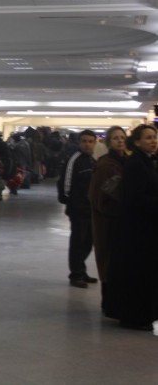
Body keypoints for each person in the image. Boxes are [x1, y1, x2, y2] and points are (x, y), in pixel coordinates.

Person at [106, 124, 158, 331]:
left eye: (154, 137)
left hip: (144, 227)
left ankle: (141, 314)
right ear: (137, 142)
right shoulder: (136, 164)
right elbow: (136, 198)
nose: (153, 141)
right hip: (136, 229)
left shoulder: (146, 161)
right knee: (137, 273)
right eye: (148, 138)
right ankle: (134, 316)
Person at [88, 126, 127, 314]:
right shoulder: (106, 166)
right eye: (115, 138)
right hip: (108, 222)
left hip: (121, 221)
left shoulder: (125, 162)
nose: (120, 141)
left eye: (122, 137)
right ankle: (109, 303)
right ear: (109, 142)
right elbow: (100, 198)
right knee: (108, 260)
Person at [58, 129, 97, 288]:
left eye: (90, 141)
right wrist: (69, 201)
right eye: (84, 141)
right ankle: (75, 274)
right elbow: (65, 182)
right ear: (79, 143)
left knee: (88, 242)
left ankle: (81, 270)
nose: (87, 144)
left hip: (90, 209)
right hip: (78, 209)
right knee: (78, 242)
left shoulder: (92, 161)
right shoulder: (74, 160)